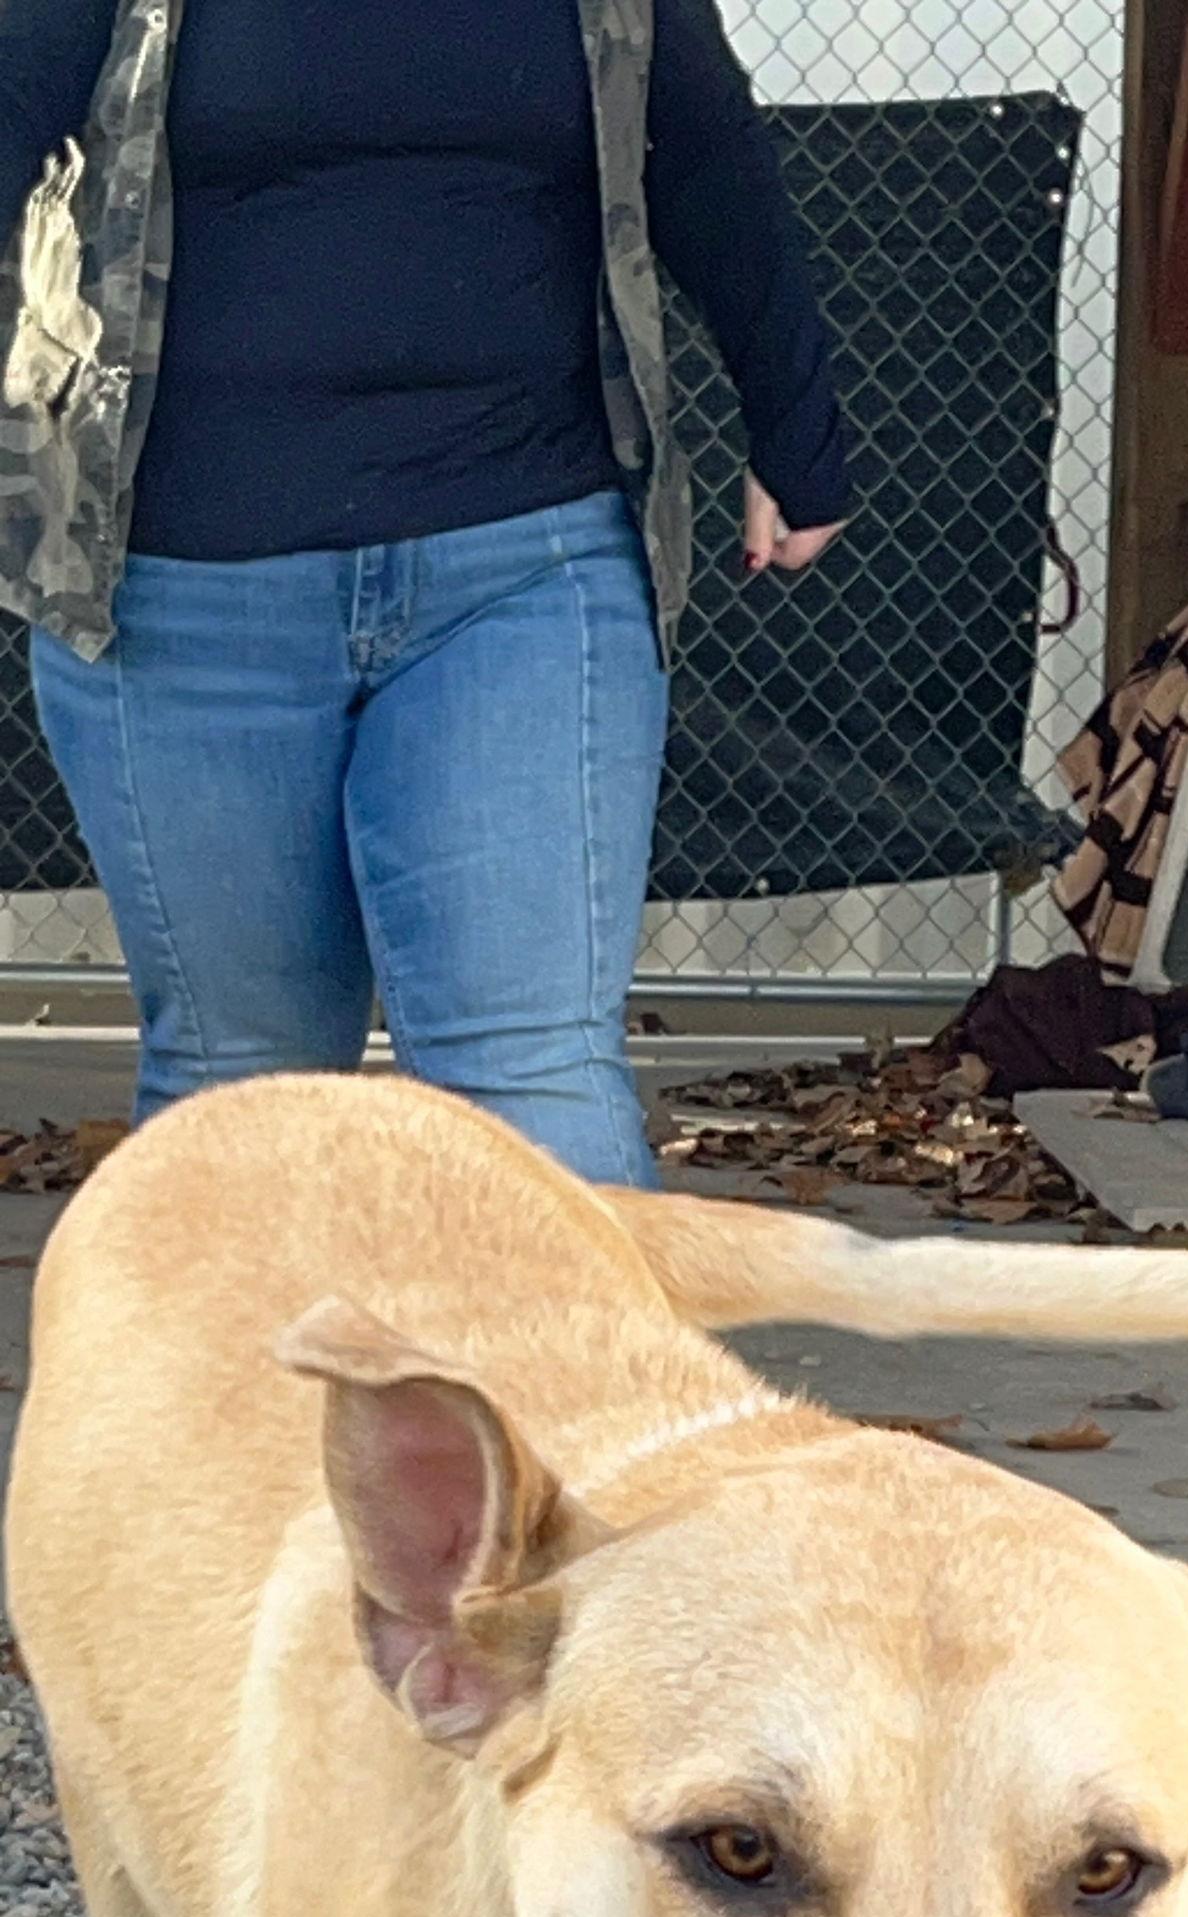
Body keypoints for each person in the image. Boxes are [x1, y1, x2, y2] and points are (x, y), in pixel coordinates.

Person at [0, 0, 850, 1184]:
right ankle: (264, 1380)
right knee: (244, 1075)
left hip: (526, 566)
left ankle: (579, 1379)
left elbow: (703, 145)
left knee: (530, 1067)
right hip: (181, 596)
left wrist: (797, 428)